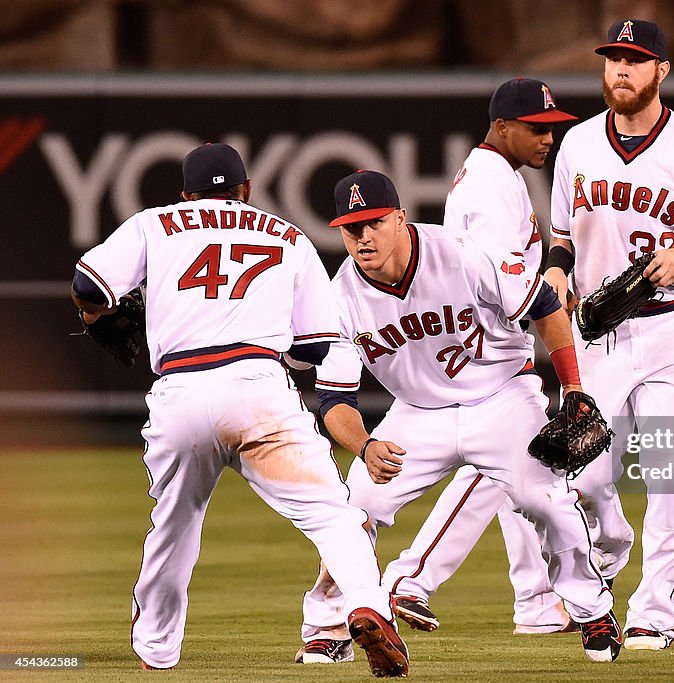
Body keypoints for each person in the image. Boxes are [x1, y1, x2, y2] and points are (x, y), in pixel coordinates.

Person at [70, 143, 409, 676]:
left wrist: (95, 317)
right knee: (330, 513)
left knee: (175, 527)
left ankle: (156, 653)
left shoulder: (155, 223)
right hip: (258, 388)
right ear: (246, 190)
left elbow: (87, 285)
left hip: (180, 391)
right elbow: (315, 347)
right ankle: (367, 603)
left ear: (185, 194)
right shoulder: (287, 235)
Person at [299, 169, 624, 662]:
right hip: (418, 413)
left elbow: (544, 305)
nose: (363, 237)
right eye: (351, 227)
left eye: (374, 223)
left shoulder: (461, 252)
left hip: (502, 397)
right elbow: (333, 400)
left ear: (400, 218)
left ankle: (592, 611)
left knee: (547, 501)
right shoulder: (339, 297)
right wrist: (364, 446)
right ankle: (326, 628)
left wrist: (572, 385)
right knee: (350, 513)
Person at [543, 19, 674, 651]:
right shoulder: (576, 144)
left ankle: (653, 614)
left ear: (661, 70)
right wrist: (556, 273)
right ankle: (606, 555)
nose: (621, 71)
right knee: (587, 476)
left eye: (635, 60)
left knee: (670, 478)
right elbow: (561, 239)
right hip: (598, 333)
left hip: (672, 334)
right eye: (612, 59)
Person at [381, 77, 582, 635]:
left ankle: (537, 604)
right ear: (500, 127)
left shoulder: (495, 175)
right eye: (536, 128)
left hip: (485, 345)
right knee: (504, 468)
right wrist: (548, 322)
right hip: (490, 350)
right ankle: (408, 580)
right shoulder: (492, 185)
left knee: (525, 473)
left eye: (552, 128)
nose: (548, 139)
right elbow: (503, 283)